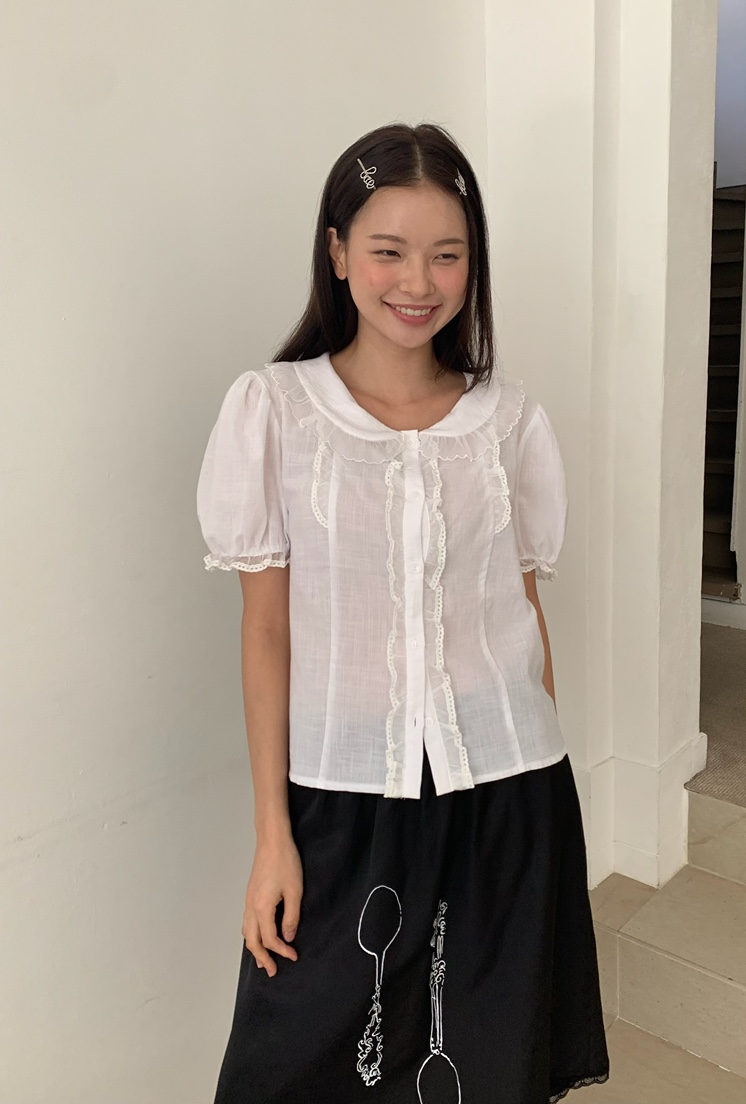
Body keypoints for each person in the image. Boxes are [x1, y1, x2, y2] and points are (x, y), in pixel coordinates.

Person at [196, 121, 610, 1104]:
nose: (418, 282)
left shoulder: (508, 422)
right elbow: (266, 631)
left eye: (447, 255)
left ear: (473, 265)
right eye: (388, 250)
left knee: (485, 1064)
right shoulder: (276, 413)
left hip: (507, 788)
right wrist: (272, 835)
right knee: (298, 1064)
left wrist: (543, 799)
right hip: (341, 797)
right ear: (338, 252)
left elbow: (522, 614)